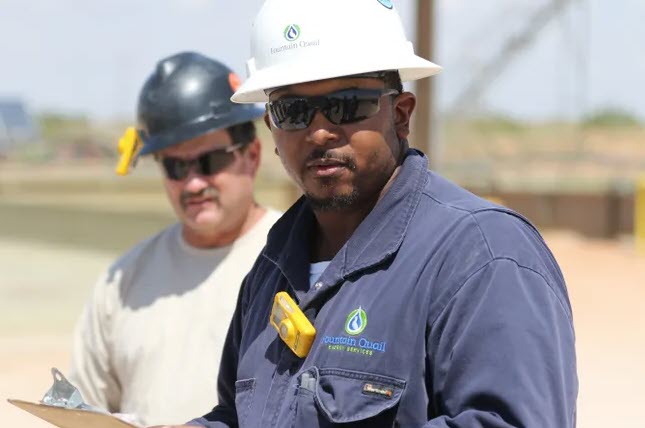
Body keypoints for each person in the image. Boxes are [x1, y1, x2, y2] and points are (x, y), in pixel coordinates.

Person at [157, 1, 578, 427]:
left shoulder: (481, 256)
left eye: (347, 105)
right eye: (294, 111)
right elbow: (236, 417)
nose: (319, 131)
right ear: (271, 126)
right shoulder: (273, 268)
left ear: (400, 115)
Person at [68, 51, 282, 427]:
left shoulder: (302, 259)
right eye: (176, 166)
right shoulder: (122, 282)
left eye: (210, 161)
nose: (194, 182)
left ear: (252, 155)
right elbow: (81, 412)